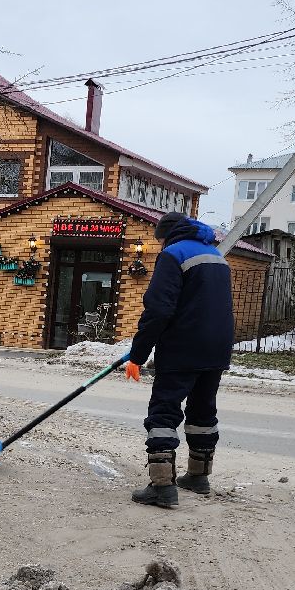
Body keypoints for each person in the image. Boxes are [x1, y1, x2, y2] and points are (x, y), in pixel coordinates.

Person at [124, 212, 234, 508]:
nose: (159, 246)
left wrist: (137, 355)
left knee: (164, 412)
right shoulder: (216, 255)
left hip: (183, 347)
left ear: (166, 235)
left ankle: (162, 487)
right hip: (217, 348)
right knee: (202, 411)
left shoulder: (173, 254)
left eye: (159, 240)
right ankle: (198, 477)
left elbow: (159, 310)